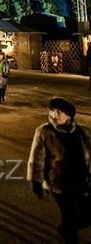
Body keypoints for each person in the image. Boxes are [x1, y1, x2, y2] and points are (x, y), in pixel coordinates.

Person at [28, 97, 91, 243]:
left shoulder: (82, 132)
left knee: (87, 214)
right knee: (69, 214)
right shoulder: (44, 132)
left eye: (58, 112)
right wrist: (35, 181)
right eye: (52, 111)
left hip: (82, 180)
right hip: (58, 183)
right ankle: (70, 235)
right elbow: (36, 158)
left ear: (69, 116)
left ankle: (66, 228)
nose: (54, 115)